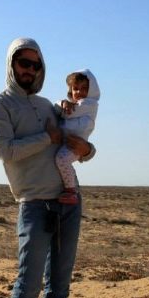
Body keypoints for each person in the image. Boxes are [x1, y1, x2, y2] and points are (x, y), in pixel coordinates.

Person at [0, 38, 96, 298]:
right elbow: (4, 149)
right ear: (12, 65)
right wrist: (46, 140)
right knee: (28, 286)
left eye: (35, 64)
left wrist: (88, 149)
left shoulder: (49, 105)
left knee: (59, 287)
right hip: (33, 203)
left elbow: (73, 142)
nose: (29, 70)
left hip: (68, 201)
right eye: (23, 63)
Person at [54, 70, 100, 205]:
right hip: (67, 141)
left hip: (74, 144)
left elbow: (68, 114)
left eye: (84, 88)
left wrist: (63, 107)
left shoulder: (89, 104)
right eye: (75, 89)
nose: (79, 92)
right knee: (61, 160)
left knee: (61, 159)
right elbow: (58, 107)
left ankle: (70, 190)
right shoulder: (73, 104)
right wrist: (62, 103)